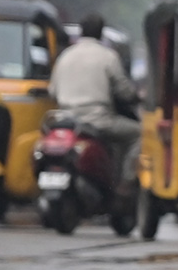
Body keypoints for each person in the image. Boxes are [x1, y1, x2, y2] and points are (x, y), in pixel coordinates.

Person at [48, 12, 140, 187]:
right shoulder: (107, 56)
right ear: (101, 33)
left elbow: (52, 92)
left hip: (66, 122)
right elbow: (124, 91)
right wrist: (135, 97)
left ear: (81, 32)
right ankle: (125, 182)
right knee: (139, 134)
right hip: (99, 121)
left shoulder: (65, 56)